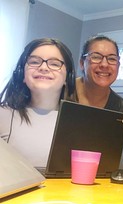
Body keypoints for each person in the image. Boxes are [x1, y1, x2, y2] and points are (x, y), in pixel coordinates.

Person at [0, 38, 77, 168]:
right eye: (34, 62)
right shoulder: (3, 114)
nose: (43, 67)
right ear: (22, 74)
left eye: (54, 64)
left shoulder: (79, 121)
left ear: (67, 78)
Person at [76, 35, 123, 113]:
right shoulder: (62, 91)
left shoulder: (120, 106)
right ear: (82, 63)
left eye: (112, 59)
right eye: (96, 57)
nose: (104, 65)